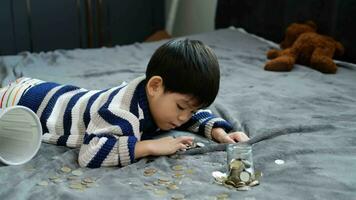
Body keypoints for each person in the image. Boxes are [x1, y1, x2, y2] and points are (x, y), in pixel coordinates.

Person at [0, 39, 249, 168]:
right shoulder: (121, 112)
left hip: (56, 93)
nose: (184, 117)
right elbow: (90, 153)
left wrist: (218, 130)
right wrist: (151, 146)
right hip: (30, 101)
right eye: (181, 108)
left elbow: (193, 111)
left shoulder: (161, 98)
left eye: (191, 110)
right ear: (154, 86)